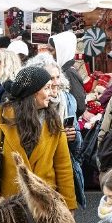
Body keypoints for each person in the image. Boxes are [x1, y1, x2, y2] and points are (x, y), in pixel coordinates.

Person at [0, 66, 76, 209]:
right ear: (33, 92)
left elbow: (63, 166)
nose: (51, 93)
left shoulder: (53, 119)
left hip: (46, 203)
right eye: (47, 88)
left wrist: (69, 205)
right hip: (10, 204)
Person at [26, 53, 84, 207]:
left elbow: (78, 148)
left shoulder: (68, 100)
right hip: (37, 172)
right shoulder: (29, 103)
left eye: (58, 77)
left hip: (63, 168)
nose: (56, 82)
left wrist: (74, 136)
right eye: (51, 78)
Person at [47, 31, 85, 117]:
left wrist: (66, 117)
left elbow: (80, 106)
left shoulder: (69, 73)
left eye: (51, 50)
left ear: (61, 51)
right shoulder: (61, 70)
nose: (48, 54)